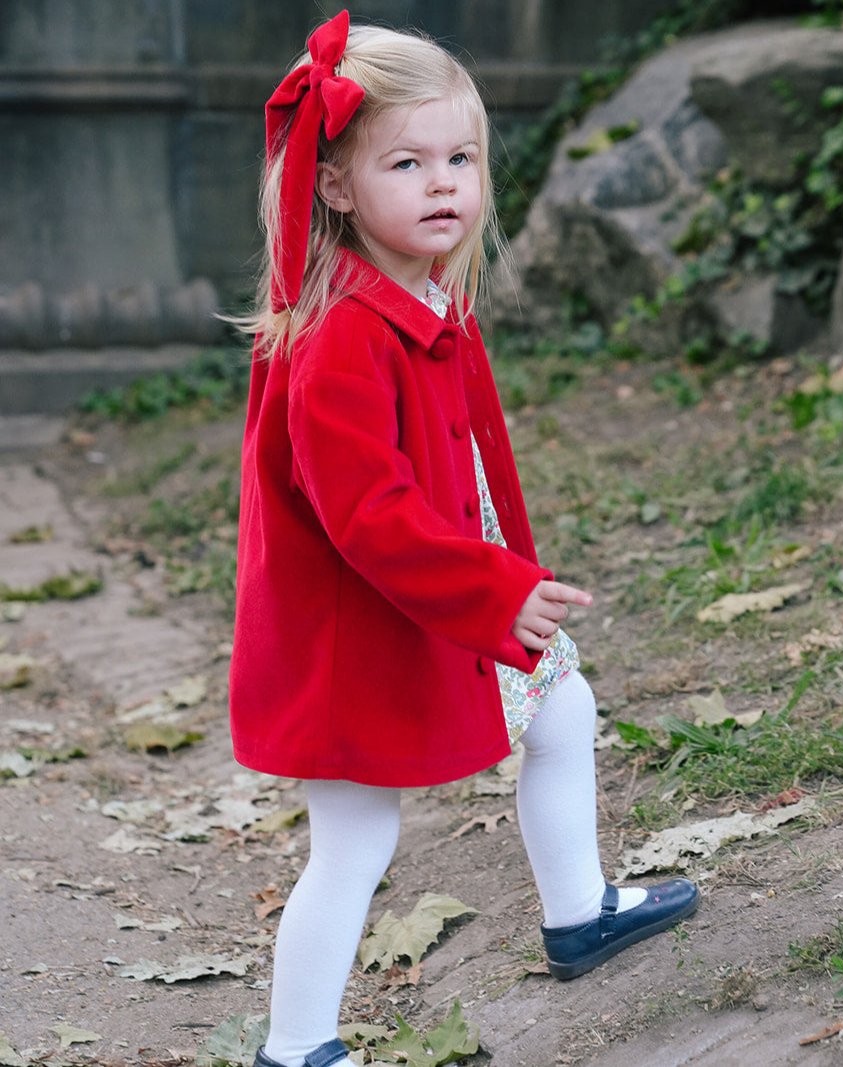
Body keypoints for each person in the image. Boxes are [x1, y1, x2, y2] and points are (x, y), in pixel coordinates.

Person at [228, 12, 699, 1067]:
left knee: (560, 702)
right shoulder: (342, 333)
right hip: (362, 632)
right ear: (337, 185)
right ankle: (295, 1045)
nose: (442, 183)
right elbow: (368, 513)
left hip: (447, 600)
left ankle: (577, 908)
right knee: (352, 839)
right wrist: (491, 591)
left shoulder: (422, 297)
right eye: (405, 161)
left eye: (460, 157)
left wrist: (496, 581)